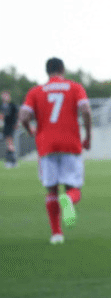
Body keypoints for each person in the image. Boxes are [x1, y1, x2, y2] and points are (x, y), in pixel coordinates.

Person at [19, 58, 91, 243]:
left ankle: (57, 234)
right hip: (70, 144)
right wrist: (88, 135)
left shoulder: (36, 91)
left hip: (46, 145)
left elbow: (24, 116)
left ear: (47, 71)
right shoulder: (75, 88)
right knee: (73, 188)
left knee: (51, 190)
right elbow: (86, 110)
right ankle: (68, 198)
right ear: (63, 70)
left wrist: (30, 130)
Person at [2, 90, 18, 168]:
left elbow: (16, 115)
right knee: (8, 144)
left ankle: (12, 161)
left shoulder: (12, 106)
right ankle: (10, 161)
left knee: (10, 144)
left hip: (11, 126)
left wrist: (16, 123)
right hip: (5, 127)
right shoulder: (2, 106)